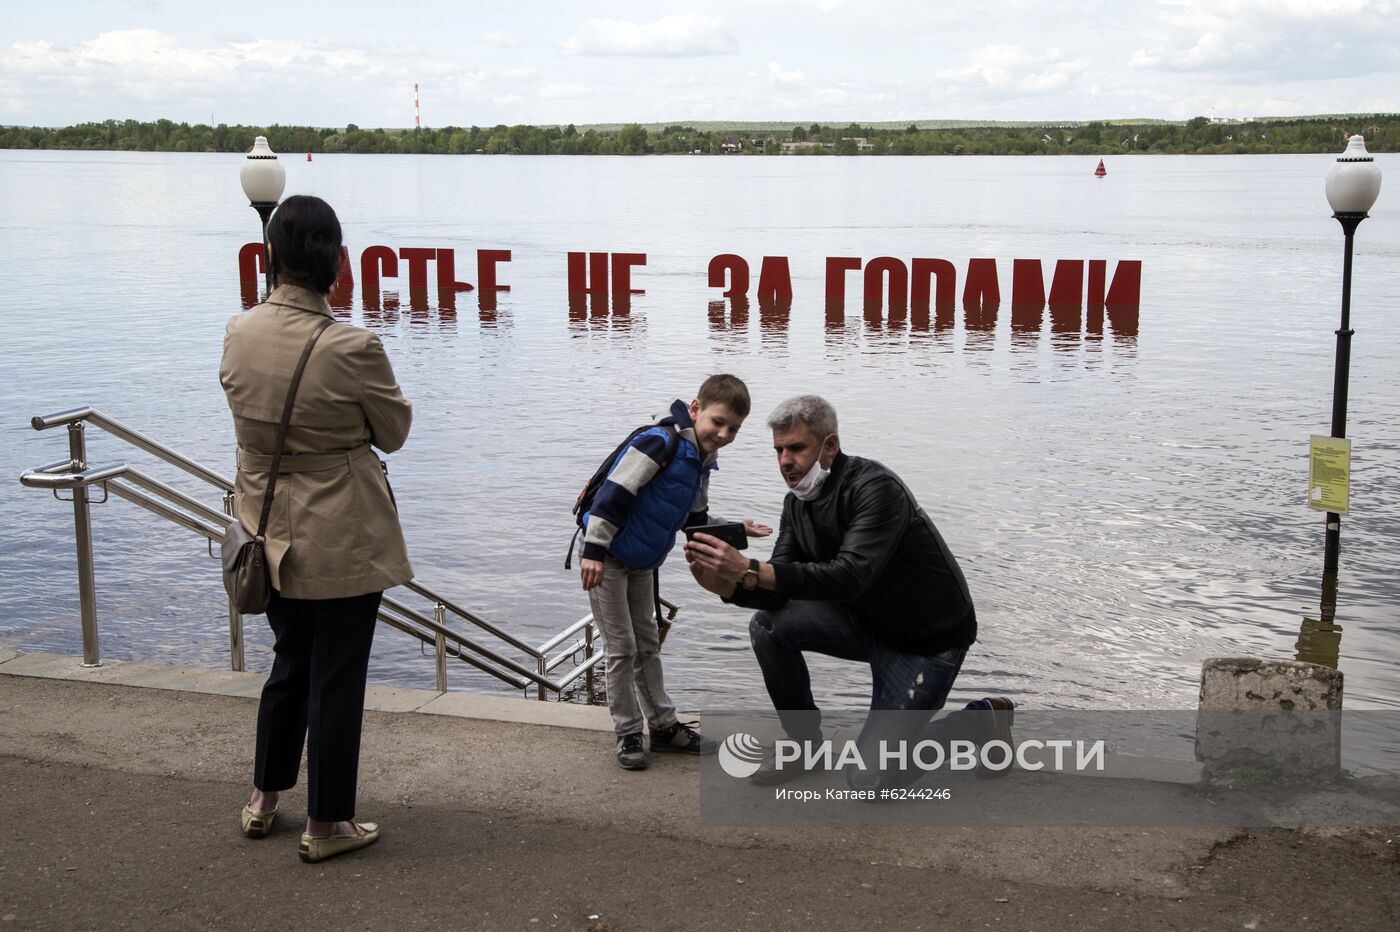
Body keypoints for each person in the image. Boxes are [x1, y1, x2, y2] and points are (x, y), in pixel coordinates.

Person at [684, 395, 1012, 787]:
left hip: (925, 640)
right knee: (766, 625)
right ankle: (805, 748)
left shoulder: (875, 488)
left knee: (871, 778)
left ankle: (985, 717)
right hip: (865, 621)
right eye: (779, 450)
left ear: (830, 445)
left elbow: (850, 576)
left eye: (796, 448)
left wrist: (751, 569)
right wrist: (731, 587)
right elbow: (777, 590)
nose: (785, 460)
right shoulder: (797, 504)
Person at [220, 195, 413, 862]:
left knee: (290, 662)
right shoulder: (353, 346)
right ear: (337, 261)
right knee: (337, 677)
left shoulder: (239, 332)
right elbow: (394, 431)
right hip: (341, 534)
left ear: (272, 256)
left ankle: (263, 797)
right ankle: (327, 822)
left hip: (264, 526)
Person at [579, 374, 770, 770]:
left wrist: (737, 530)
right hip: (608, 557)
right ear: (696, 409)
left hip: (642, 563)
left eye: (734, 429)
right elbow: (614, 492)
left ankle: (664, 727)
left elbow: (694, 520)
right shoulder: (658, 442)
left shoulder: (702, 461)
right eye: (718, 422)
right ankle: (628, 733)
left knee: (647, 644)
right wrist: (593, 551)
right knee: (621, 648)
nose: (724, 434)